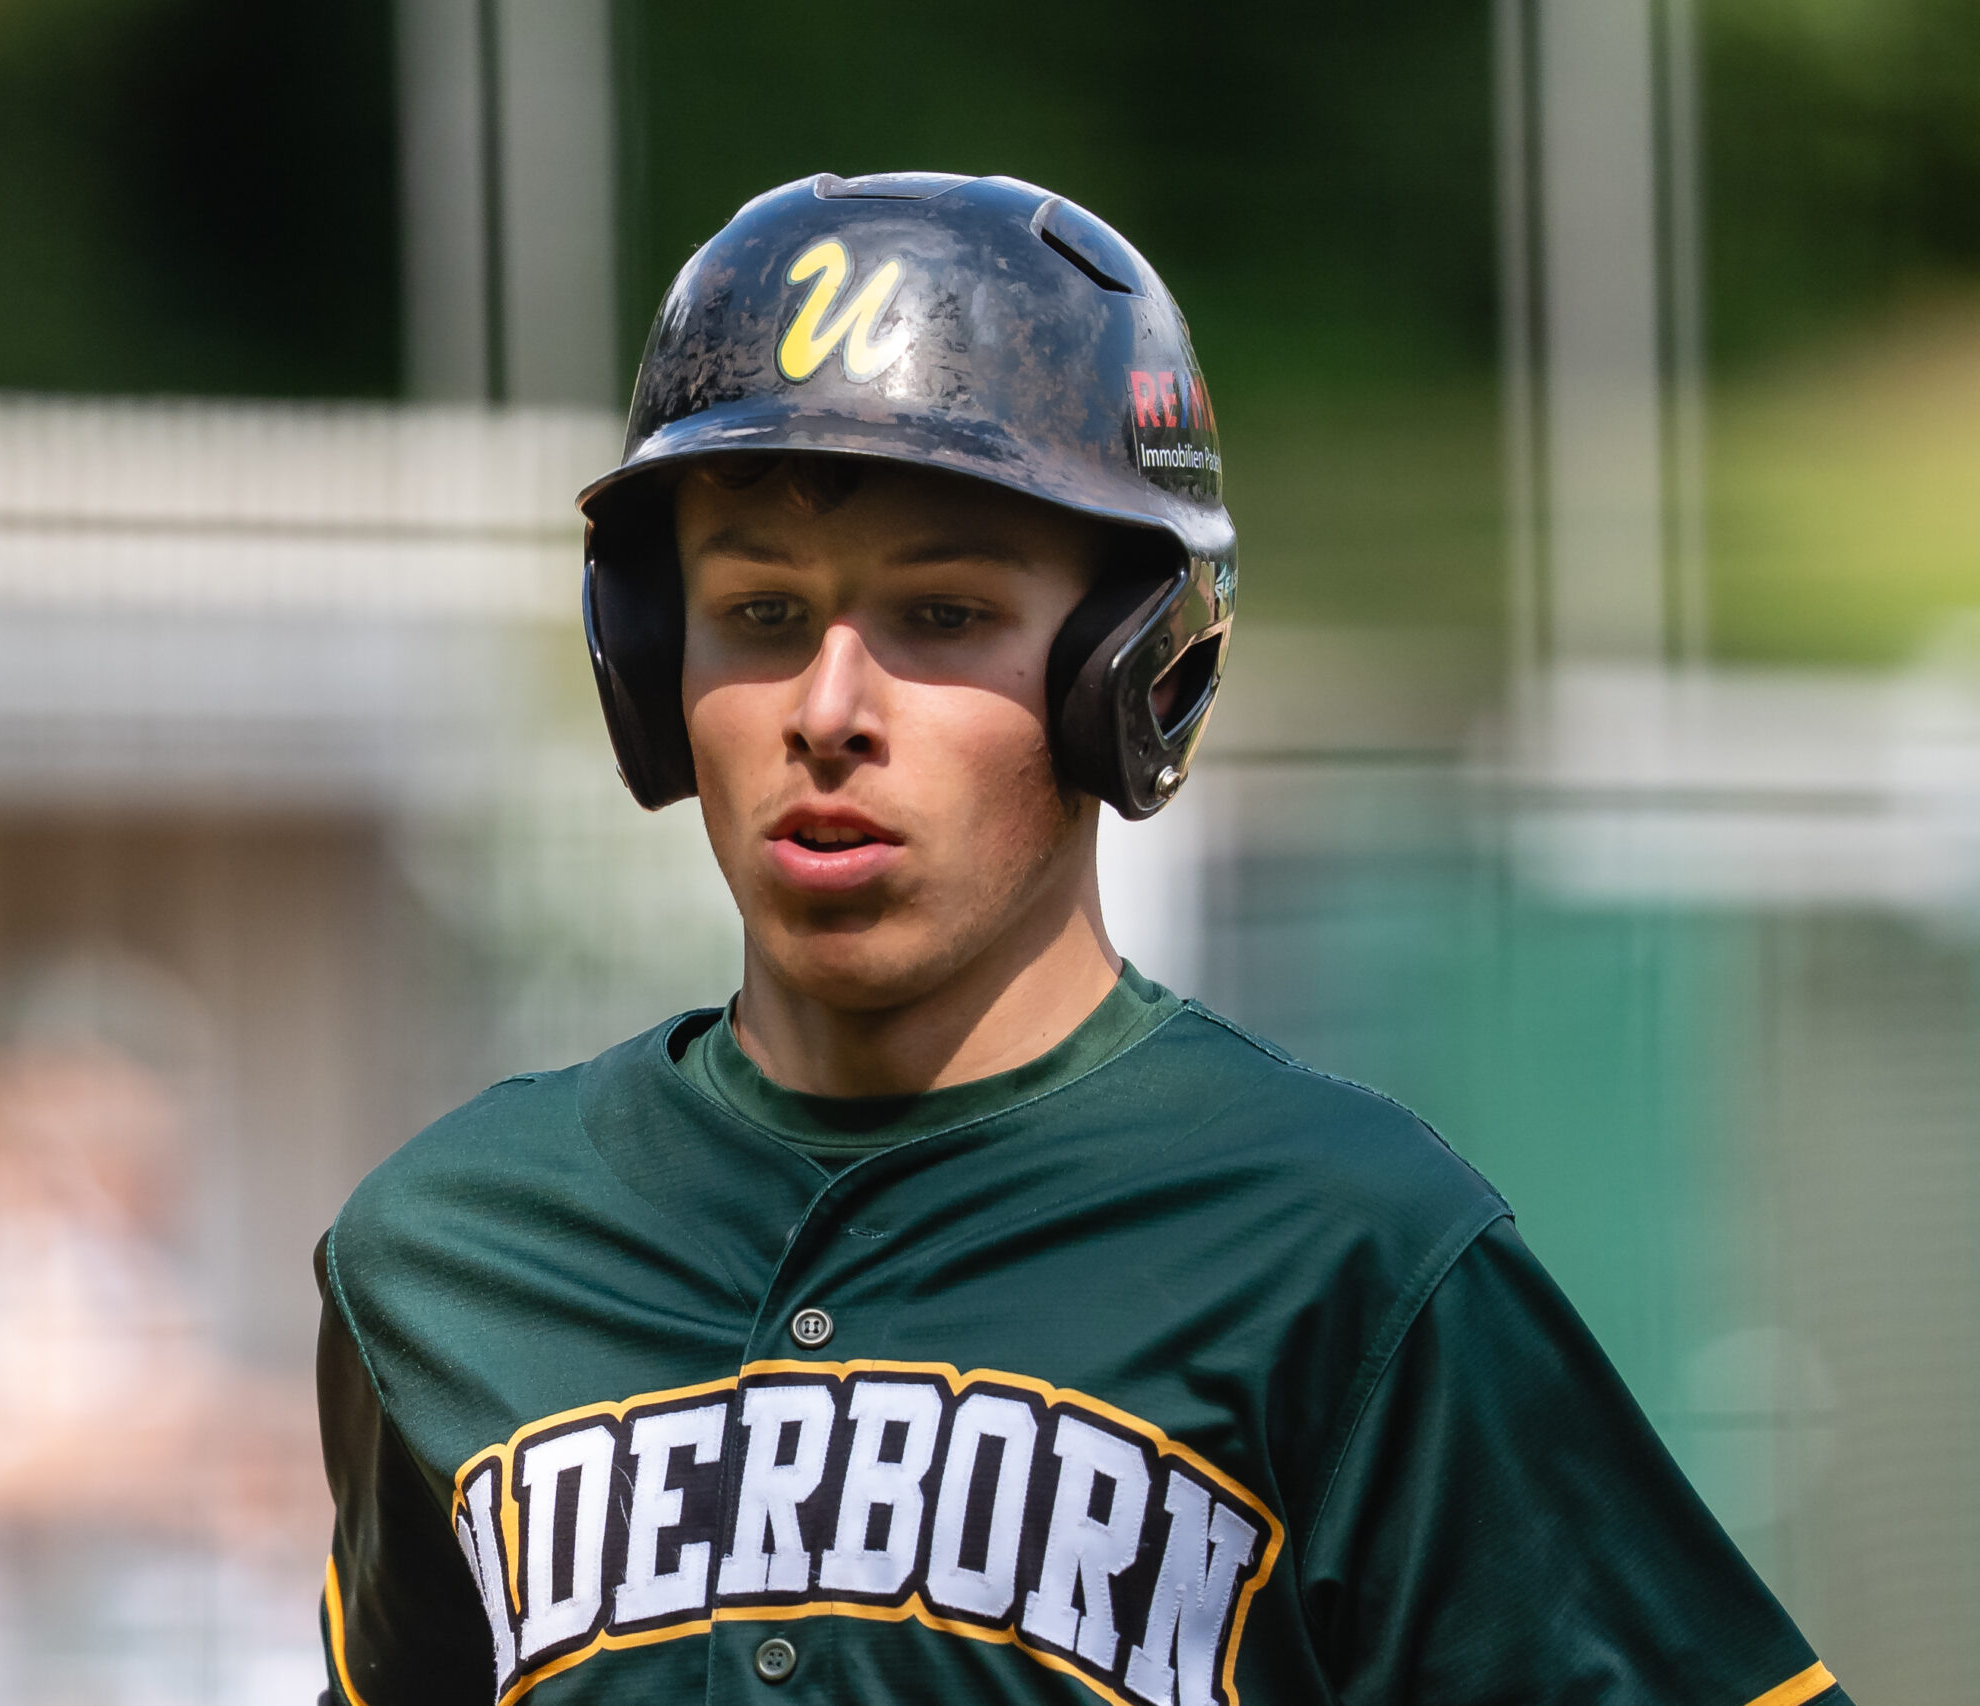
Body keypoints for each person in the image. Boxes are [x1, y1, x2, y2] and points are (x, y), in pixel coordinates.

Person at [314, 173, 1845, 1706]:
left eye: (941, 615)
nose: (829, 711)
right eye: (761, 614)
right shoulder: (451, 1255)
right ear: (650, 661)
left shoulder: (1347, 1251)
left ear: (1131, 666)